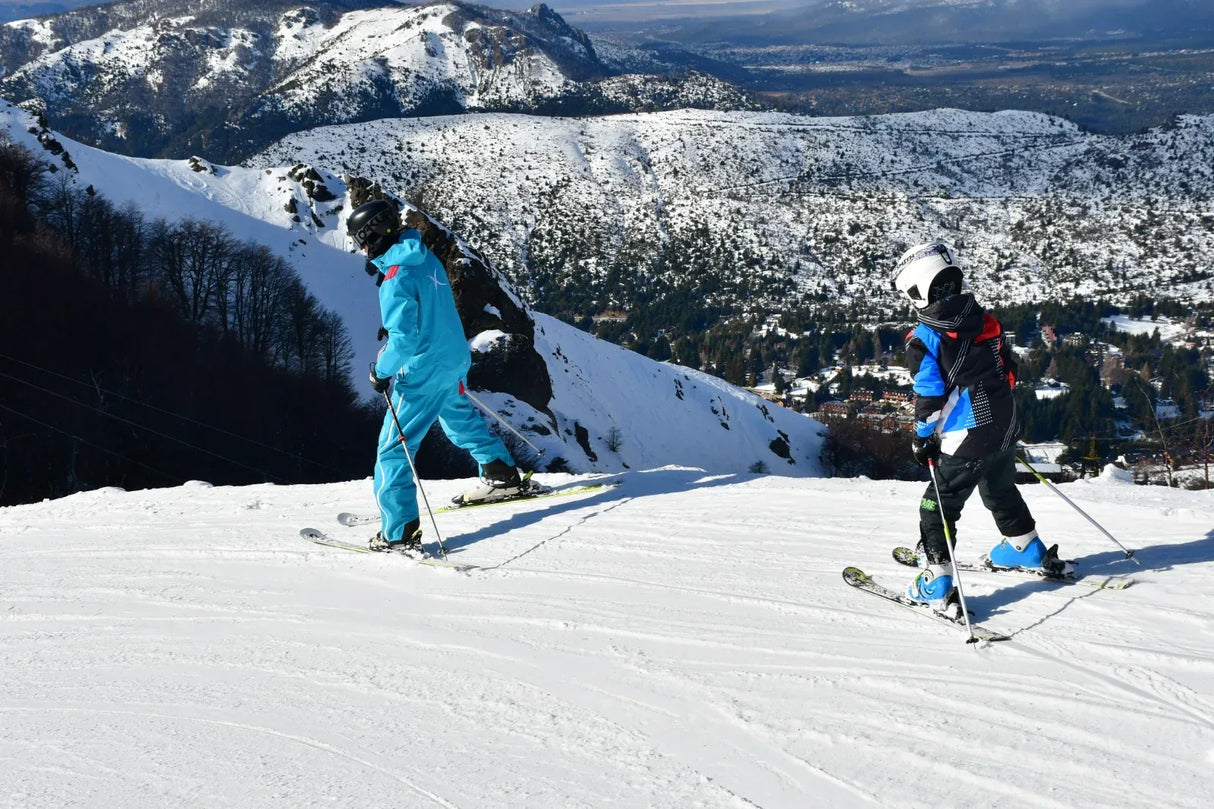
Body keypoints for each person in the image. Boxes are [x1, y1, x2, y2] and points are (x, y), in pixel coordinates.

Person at [891, 241, 1068, 614]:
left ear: (919, 291)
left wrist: (922, 439)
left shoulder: (925, 339)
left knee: (937, 506)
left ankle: (936, 581)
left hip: (965, 436)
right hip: (1004, 427)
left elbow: (929, 398)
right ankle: (1024, 546)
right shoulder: (986, 320)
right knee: (999, 488)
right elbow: (1009, 368)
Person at [346, 199, 526, 554]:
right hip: (454, 358)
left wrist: (380, 372)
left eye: (360, 241)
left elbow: (404, 341)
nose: (362, 249)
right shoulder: (424, 256)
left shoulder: (395, 280)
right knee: (458, 418)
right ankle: (501, 475)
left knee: (394, 448)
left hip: (424, 369)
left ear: (371, 236)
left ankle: (399, 532)